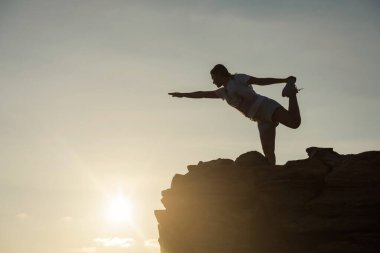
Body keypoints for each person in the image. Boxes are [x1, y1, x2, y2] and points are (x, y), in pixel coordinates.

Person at [169, 64, 301, 165]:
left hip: (265, 106)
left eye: (214, 78)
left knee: (294, 123)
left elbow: (260, 81)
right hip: (259, 119)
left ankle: (291, 93)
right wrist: (182, 95)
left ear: (221, 74)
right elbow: (202, 94)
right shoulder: (223, 93)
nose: (213, 82)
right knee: (269, 156)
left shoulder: (238, 78)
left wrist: (284, 80)